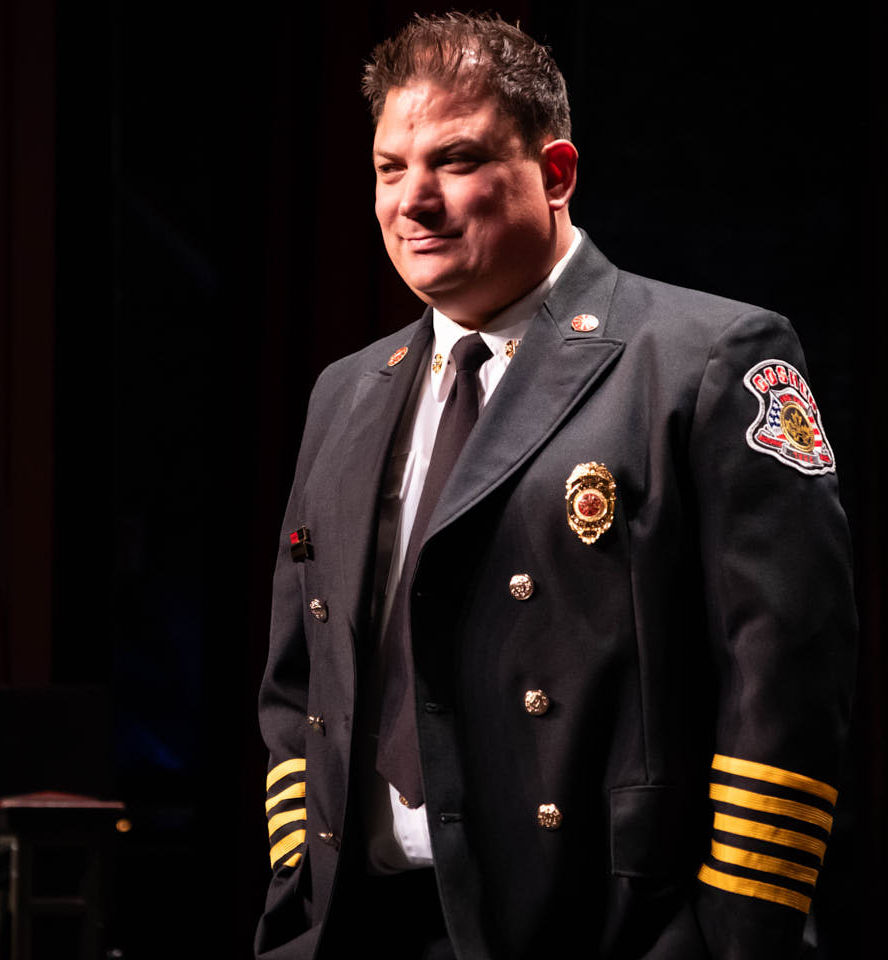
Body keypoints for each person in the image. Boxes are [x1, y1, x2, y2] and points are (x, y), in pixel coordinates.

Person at [256, 12, 856, 960]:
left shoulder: (707, 358)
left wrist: (731, 942)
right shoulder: (344, 392)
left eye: (455, 161)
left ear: (558, 173)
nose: (413, 201)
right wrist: (300, 887)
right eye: (389, 168)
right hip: (361, 930)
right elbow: (299, 687)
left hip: (608, 933)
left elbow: (782, 683)